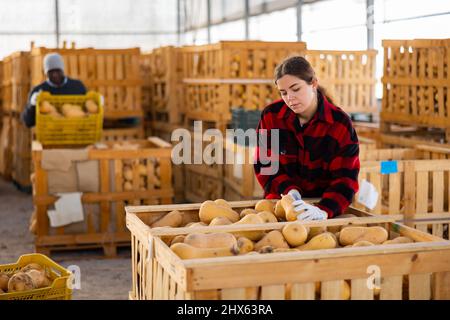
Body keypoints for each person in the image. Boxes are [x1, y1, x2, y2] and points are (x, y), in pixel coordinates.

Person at [254, 56, 360, 221]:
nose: (290, 98)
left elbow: (346, 178)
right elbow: (265, 166)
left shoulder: (339, 124)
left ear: (314, 84)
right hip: (280, 207)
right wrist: (290, 192)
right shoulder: (271, 117)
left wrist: (324, 210)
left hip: (323, 210)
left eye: (295, 89)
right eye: (283, 93)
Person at [21, 52, 87, 128]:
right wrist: (32, 105)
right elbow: (27, 122)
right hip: (50, 135)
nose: (55, 74)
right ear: (46, 73)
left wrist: (97, 102)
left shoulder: (77, 86)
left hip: (76, 133)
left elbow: (88, 110)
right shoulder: (38, 91)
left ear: (62, 70)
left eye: (57, 70)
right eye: (51, 72)